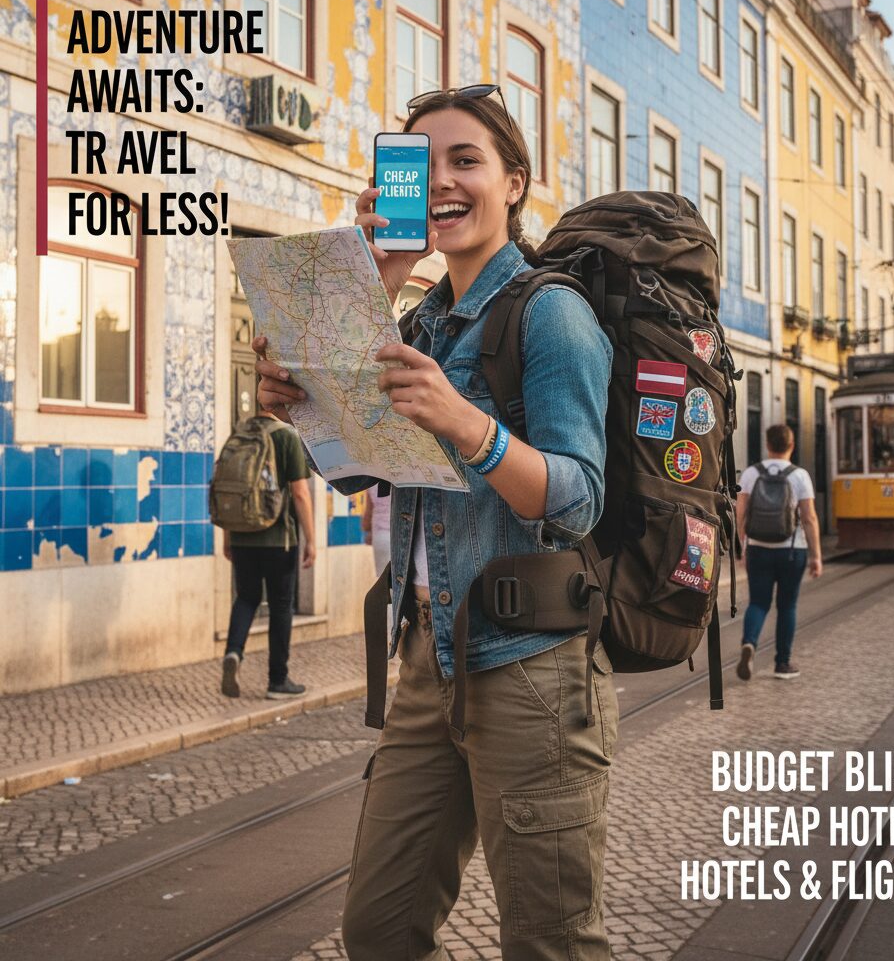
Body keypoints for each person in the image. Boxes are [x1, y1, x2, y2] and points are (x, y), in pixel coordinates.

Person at [253, 85, 617, 960]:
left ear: (514, 184)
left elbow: (579, 498)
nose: (444, 181)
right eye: (423, 163)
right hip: (427, 660)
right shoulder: (418, 319)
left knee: (551, 944)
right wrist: (307, 381)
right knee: (378, 930)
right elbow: (356, 469)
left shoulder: (551, 311)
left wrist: (469, 426)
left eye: (467, 161)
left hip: (531, 667)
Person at [221, 408, 316, 700]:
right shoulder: (286, 436)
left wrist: (228, 537)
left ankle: (233, 652)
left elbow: (228, 493)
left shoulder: (237, 436)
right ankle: (278, 680)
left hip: (241, 536)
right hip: (279, 539)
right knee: (281, 606)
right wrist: (311, 540)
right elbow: (300, 493)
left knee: (246, 597)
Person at [735, 424, 822, 681]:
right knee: (787, 606)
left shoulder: (751, 473)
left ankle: (749, 643)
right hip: (792, 551)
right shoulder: (800, 476)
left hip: (758, 548)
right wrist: (816, 555)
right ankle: (782, 664)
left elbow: (741, 514)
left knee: (758, 602)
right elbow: (809, 518)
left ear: (767, 445)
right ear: (792, 445)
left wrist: (742, 547)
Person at [360, 483, 391, 576]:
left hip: (380, 536)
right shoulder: (402, 481)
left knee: (383, 577)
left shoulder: (371, 483)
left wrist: (369, 531)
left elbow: (368, 514)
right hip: (401, 534)